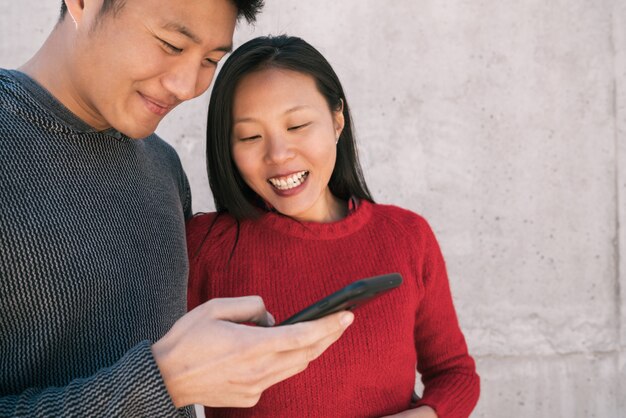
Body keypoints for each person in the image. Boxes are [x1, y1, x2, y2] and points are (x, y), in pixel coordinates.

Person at [0, 2, 354, 416]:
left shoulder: (163, 166)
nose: (187, 87)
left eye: (209, 60)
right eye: (170, 44)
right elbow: (169, 381)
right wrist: (165, 382)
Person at [187, 35, 481, 418]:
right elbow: (156, 378)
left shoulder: (407, 236)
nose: (278, 155)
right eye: (250, 136)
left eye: (297, 126)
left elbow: (455, 373)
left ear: (337, 120)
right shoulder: (207, 246)